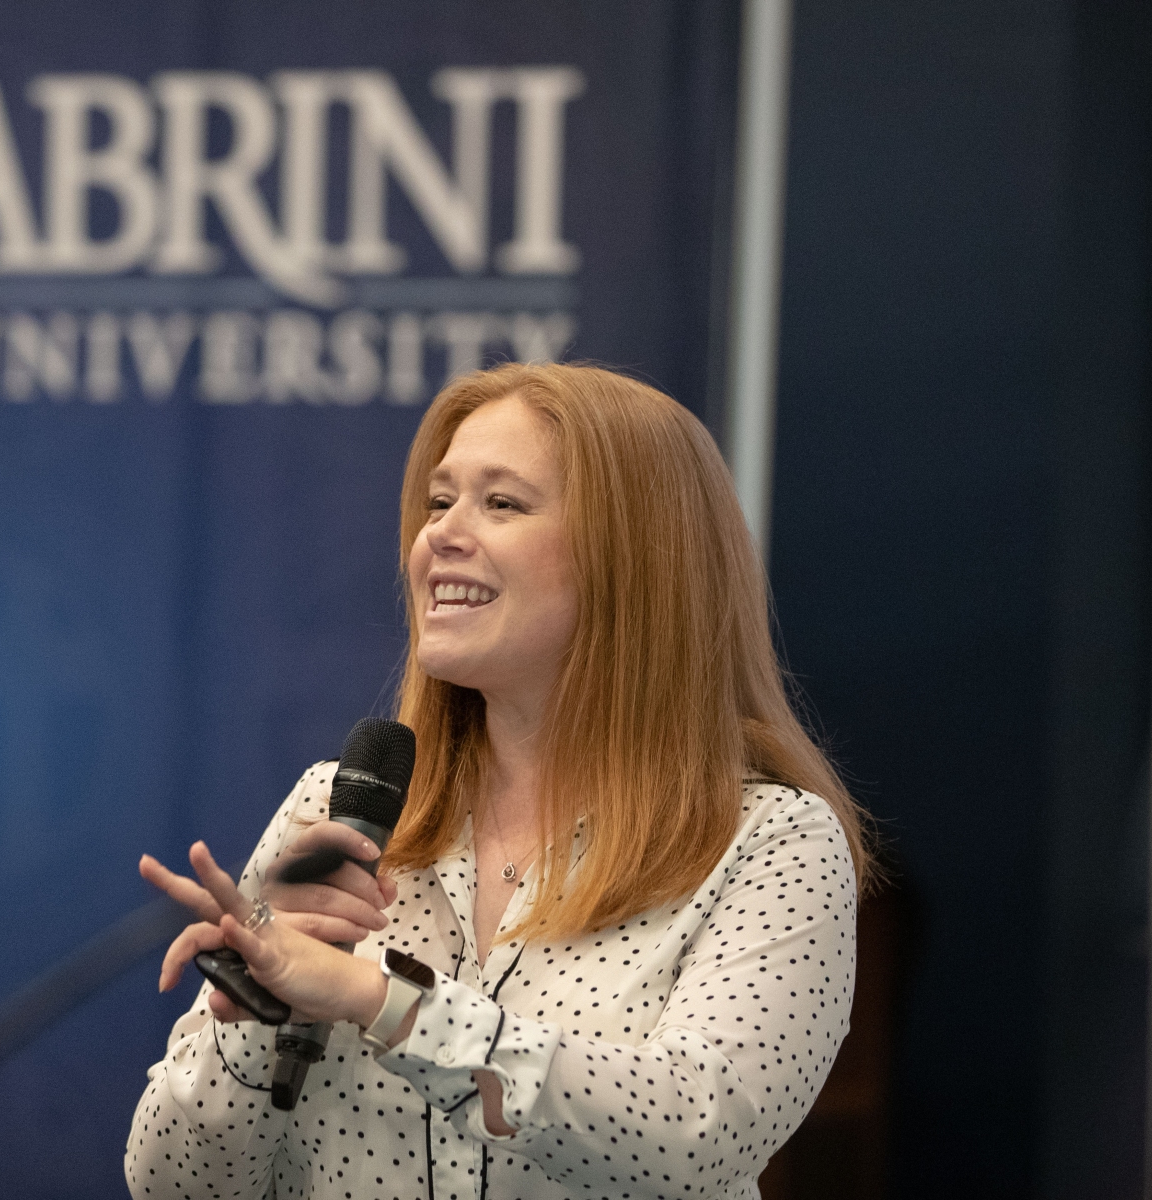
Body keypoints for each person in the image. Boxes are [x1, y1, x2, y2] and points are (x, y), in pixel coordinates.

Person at [129, 362, 869, 1200]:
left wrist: (384, 1002)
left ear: (635, 558)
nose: (440, 535)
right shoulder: (336, 809)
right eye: (438, 502)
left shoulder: (771, 842)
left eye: (503, 503)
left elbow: (693, 1139)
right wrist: (257, 1018)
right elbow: (172, 1185)